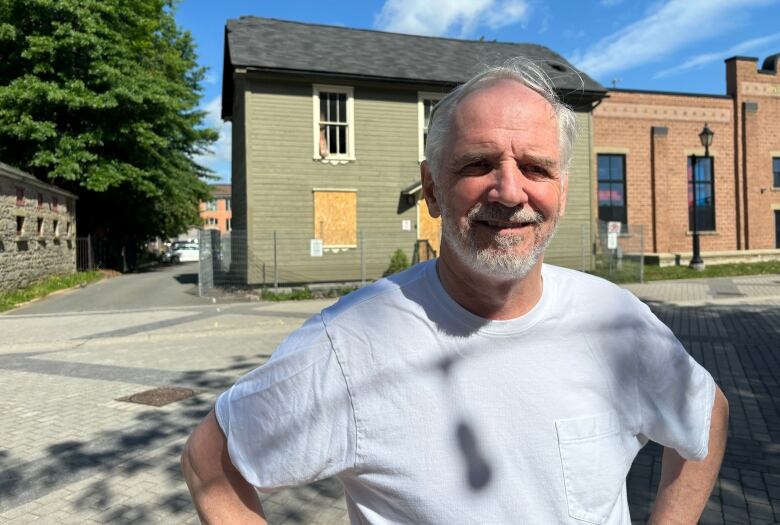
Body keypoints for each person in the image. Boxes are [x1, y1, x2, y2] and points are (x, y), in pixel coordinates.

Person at [181, 58, 728, 524]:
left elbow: (707, 413)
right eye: (478, 164)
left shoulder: (615, 320)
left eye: (536, 167)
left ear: (561, 189)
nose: (510, 190)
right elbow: (211, 459)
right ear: (432, 189)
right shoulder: (350, 344)